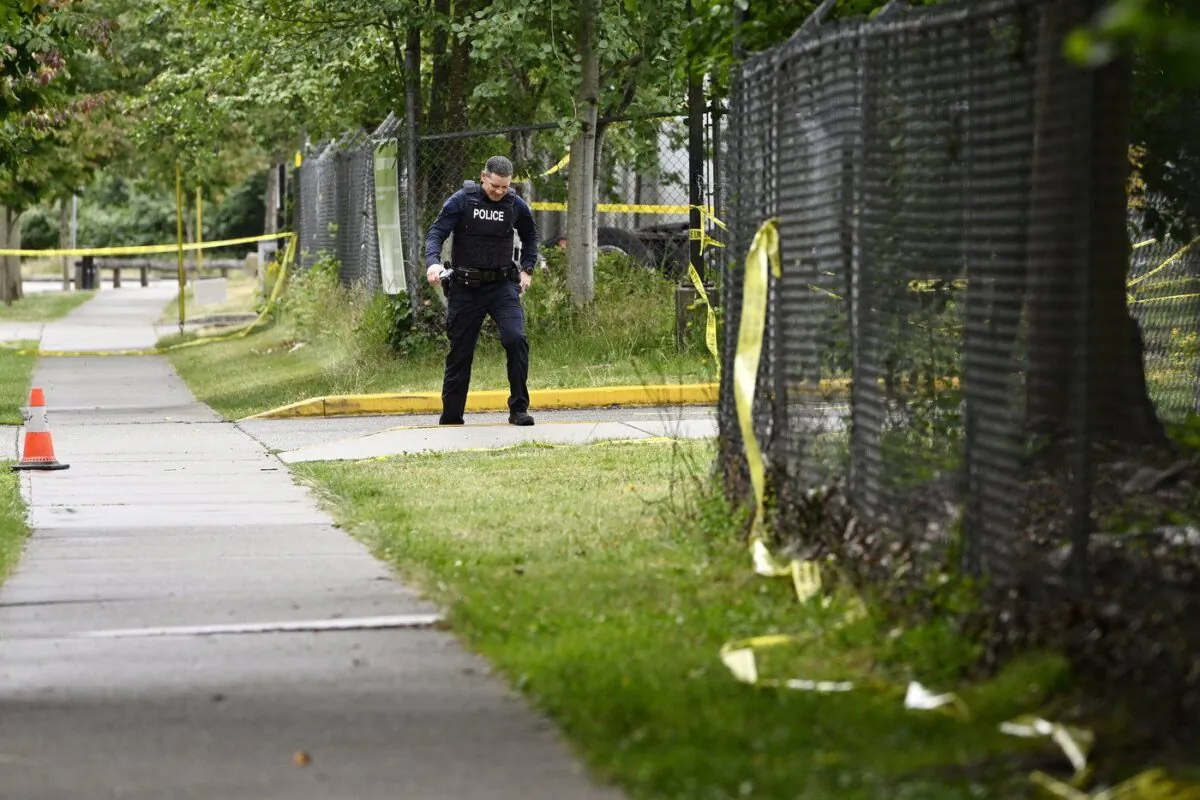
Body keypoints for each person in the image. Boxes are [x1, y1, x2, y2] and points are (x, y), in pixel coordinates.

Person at [425, 155, 539, 426]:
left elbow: (530, 236)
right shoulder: (462, 201)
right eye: (494, 186)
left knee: (516, 339)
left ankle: (518, 410)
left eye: (504, 187)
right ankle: (452, 416)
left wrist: (527, 269)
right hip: (465, 288)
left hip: (502, 286)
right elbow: (436, 233)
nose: (499, 192)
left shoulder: (514, 204)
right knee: (460, 351)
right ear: (483, 177)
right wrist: (433, 263)